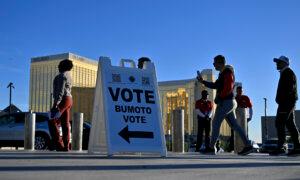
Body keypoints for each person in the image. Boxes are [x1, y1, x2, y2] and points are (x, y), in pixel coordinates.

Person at [197, 55, 253, 155]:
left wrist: (219, 98)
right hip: (228, 102)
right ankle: (248, 145)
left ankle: (211, 148)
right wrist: (203, 81)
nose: (213, 64)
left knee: (215, 123)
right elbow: (215, 85)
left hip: (226, 102)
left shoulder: (227, 72)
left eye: (214, 62)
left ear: (220, 63)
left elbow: (228, 88)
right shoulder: (222, 74)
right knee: (235, 125)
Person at [271, 56, 300, 156]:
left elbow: (289, 89)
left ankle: (281, 147)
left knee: (279, 122)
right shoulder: (285, 73)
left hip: (286, 103)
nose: (277, 64)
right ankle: (297, 147)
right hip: (287, 103)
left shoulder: (288, 73)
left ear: (285, 63)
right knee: (290, 124)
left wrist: (282, 100)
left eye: (279, 62)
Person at [48, 59, 73, 151]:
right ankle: (66, 146)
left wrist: (55, 104)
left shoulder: (61, 76)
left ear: (63, 66)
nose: (58, 66)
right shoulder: (69, 76)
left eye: (59, 65)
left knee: (51, 120)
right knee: (65, 123)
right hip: (69, 99)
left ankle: (59, 145)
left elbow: (60, 91)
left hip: (63, 99)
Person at [228, 86, 253, 152]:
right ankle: (235, 148)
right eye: (238, 90)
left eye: (241, 91)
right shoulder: (234, 98)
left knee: (244, 131)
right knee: (235, 132)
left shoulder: (246, 97)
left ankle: (245, 147)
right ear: (236, 91)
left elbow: (250, 107)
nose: (240, 92)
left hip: (244, 115)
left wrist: (250, 116)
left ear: (242, 91)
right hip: (236, 115)